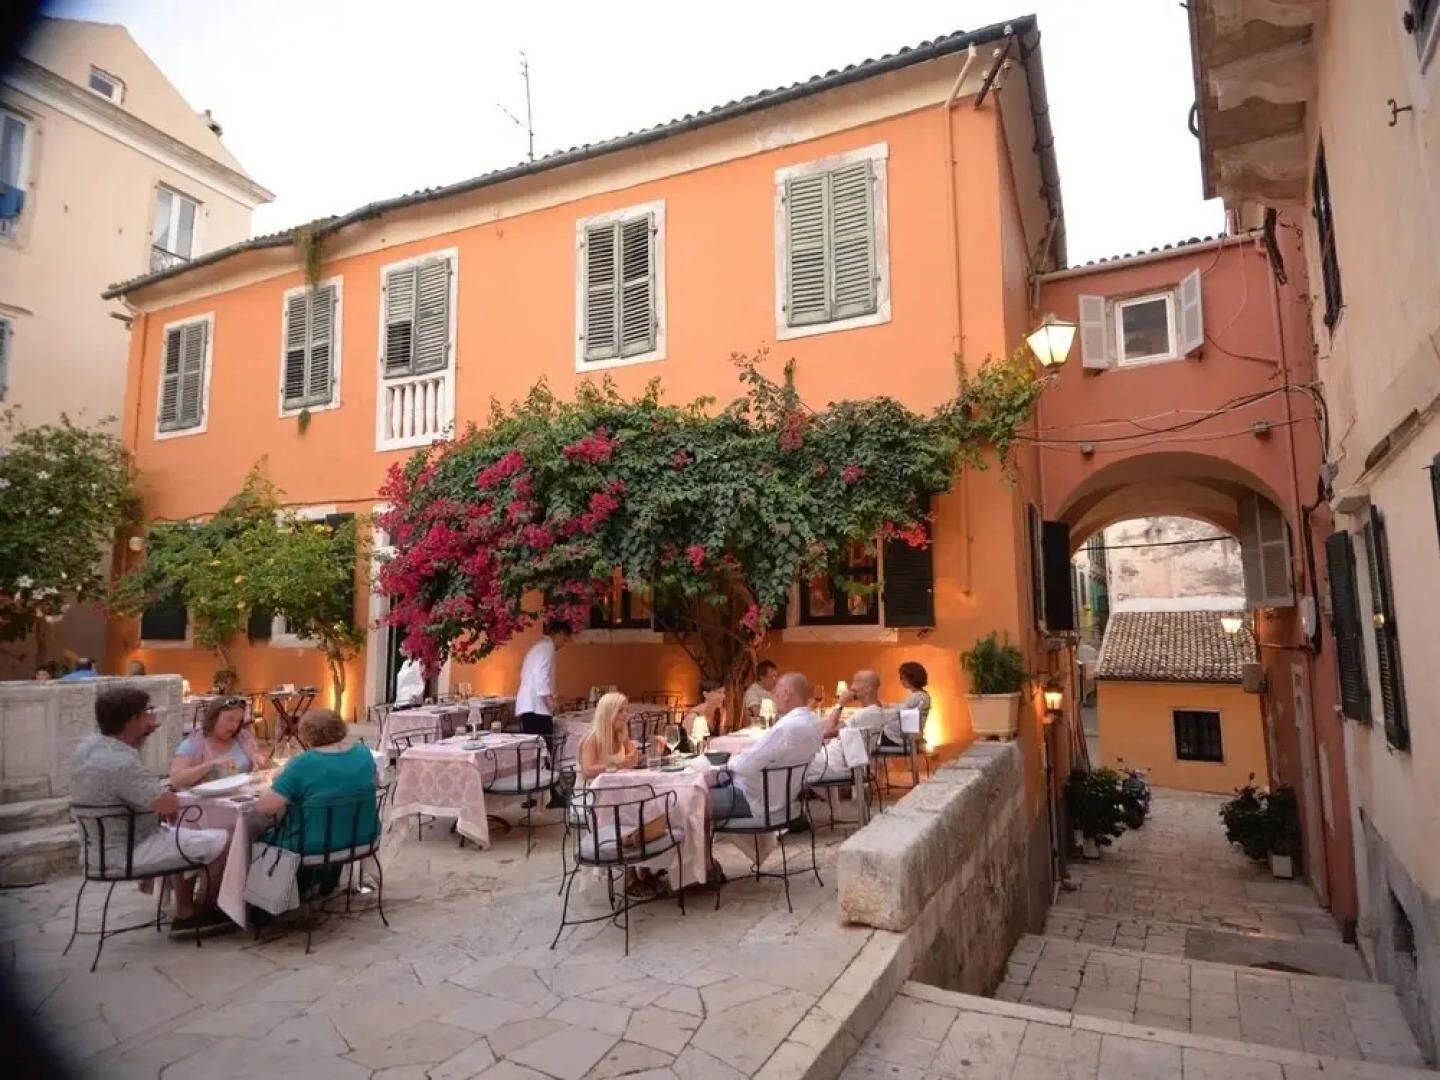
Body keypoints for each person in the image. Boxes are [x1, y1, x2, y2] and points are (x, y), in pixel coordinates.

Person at [69, 687, 232, 938]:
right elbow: (168, 804)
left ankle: (184, 910)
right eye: (148, 713)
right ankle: (204, 912)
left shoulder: (88, 748)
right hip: (128, 851)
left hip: (95, 850)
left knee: (181, 834)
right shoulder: (121, 763)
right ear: (133, 719)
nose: (152, 718)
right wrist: (166, 796)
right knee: (225, 841)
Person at [256, 709, 378, 897]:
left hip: (312, 845)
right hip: (361, 837)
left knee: (256, 834)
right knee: (332, 823)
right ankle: (323, 884)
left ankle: (263, 901)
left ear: (306, 735)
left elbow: (265, 807)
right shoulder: (363, 753)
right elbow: (374, 782)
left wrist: (279, 779)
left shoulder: (303, 763)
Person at [711, 672, 836, 822]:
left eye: (775, 692)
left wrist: (732, 758)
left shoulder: (786, 728)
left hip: (754, 801)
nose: (773, 696)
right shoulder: (814, 723)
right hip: (784, 801)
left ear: (786, 693)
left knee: (684, 801)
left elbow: (745, 767)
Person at [170, 697, 267, 790]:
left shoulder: (244, 739)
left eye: (238, 721)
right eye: (230, 720)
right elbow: (176, 780)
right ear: (213, 718)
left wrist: (260, 760)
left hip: (243, 797)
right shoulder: (192, 744)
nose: (235, 725)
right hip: (207, 803)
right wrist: (210, 765)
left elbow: (266, 768)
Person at [808, 669, 885, 782]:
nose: (851, 687)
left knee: (791, 764)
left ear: (867, 689)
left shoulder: (868, 713)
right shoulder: (871, 711)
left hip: (832, 765)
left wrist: (841, 703)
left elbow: (828, 731)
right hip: (831, 761)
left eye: (855, 681)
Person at [882, 661, 932, 747]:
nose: (901, 680)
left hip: (897, 739)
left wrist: (879, 712)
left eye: (902, 677)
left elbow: (897, 713)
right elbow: (902, 707)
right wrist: (887, 706)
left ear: (911, 678)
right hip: (900, 737)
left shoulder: (917, 697)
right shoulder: (921, 695)